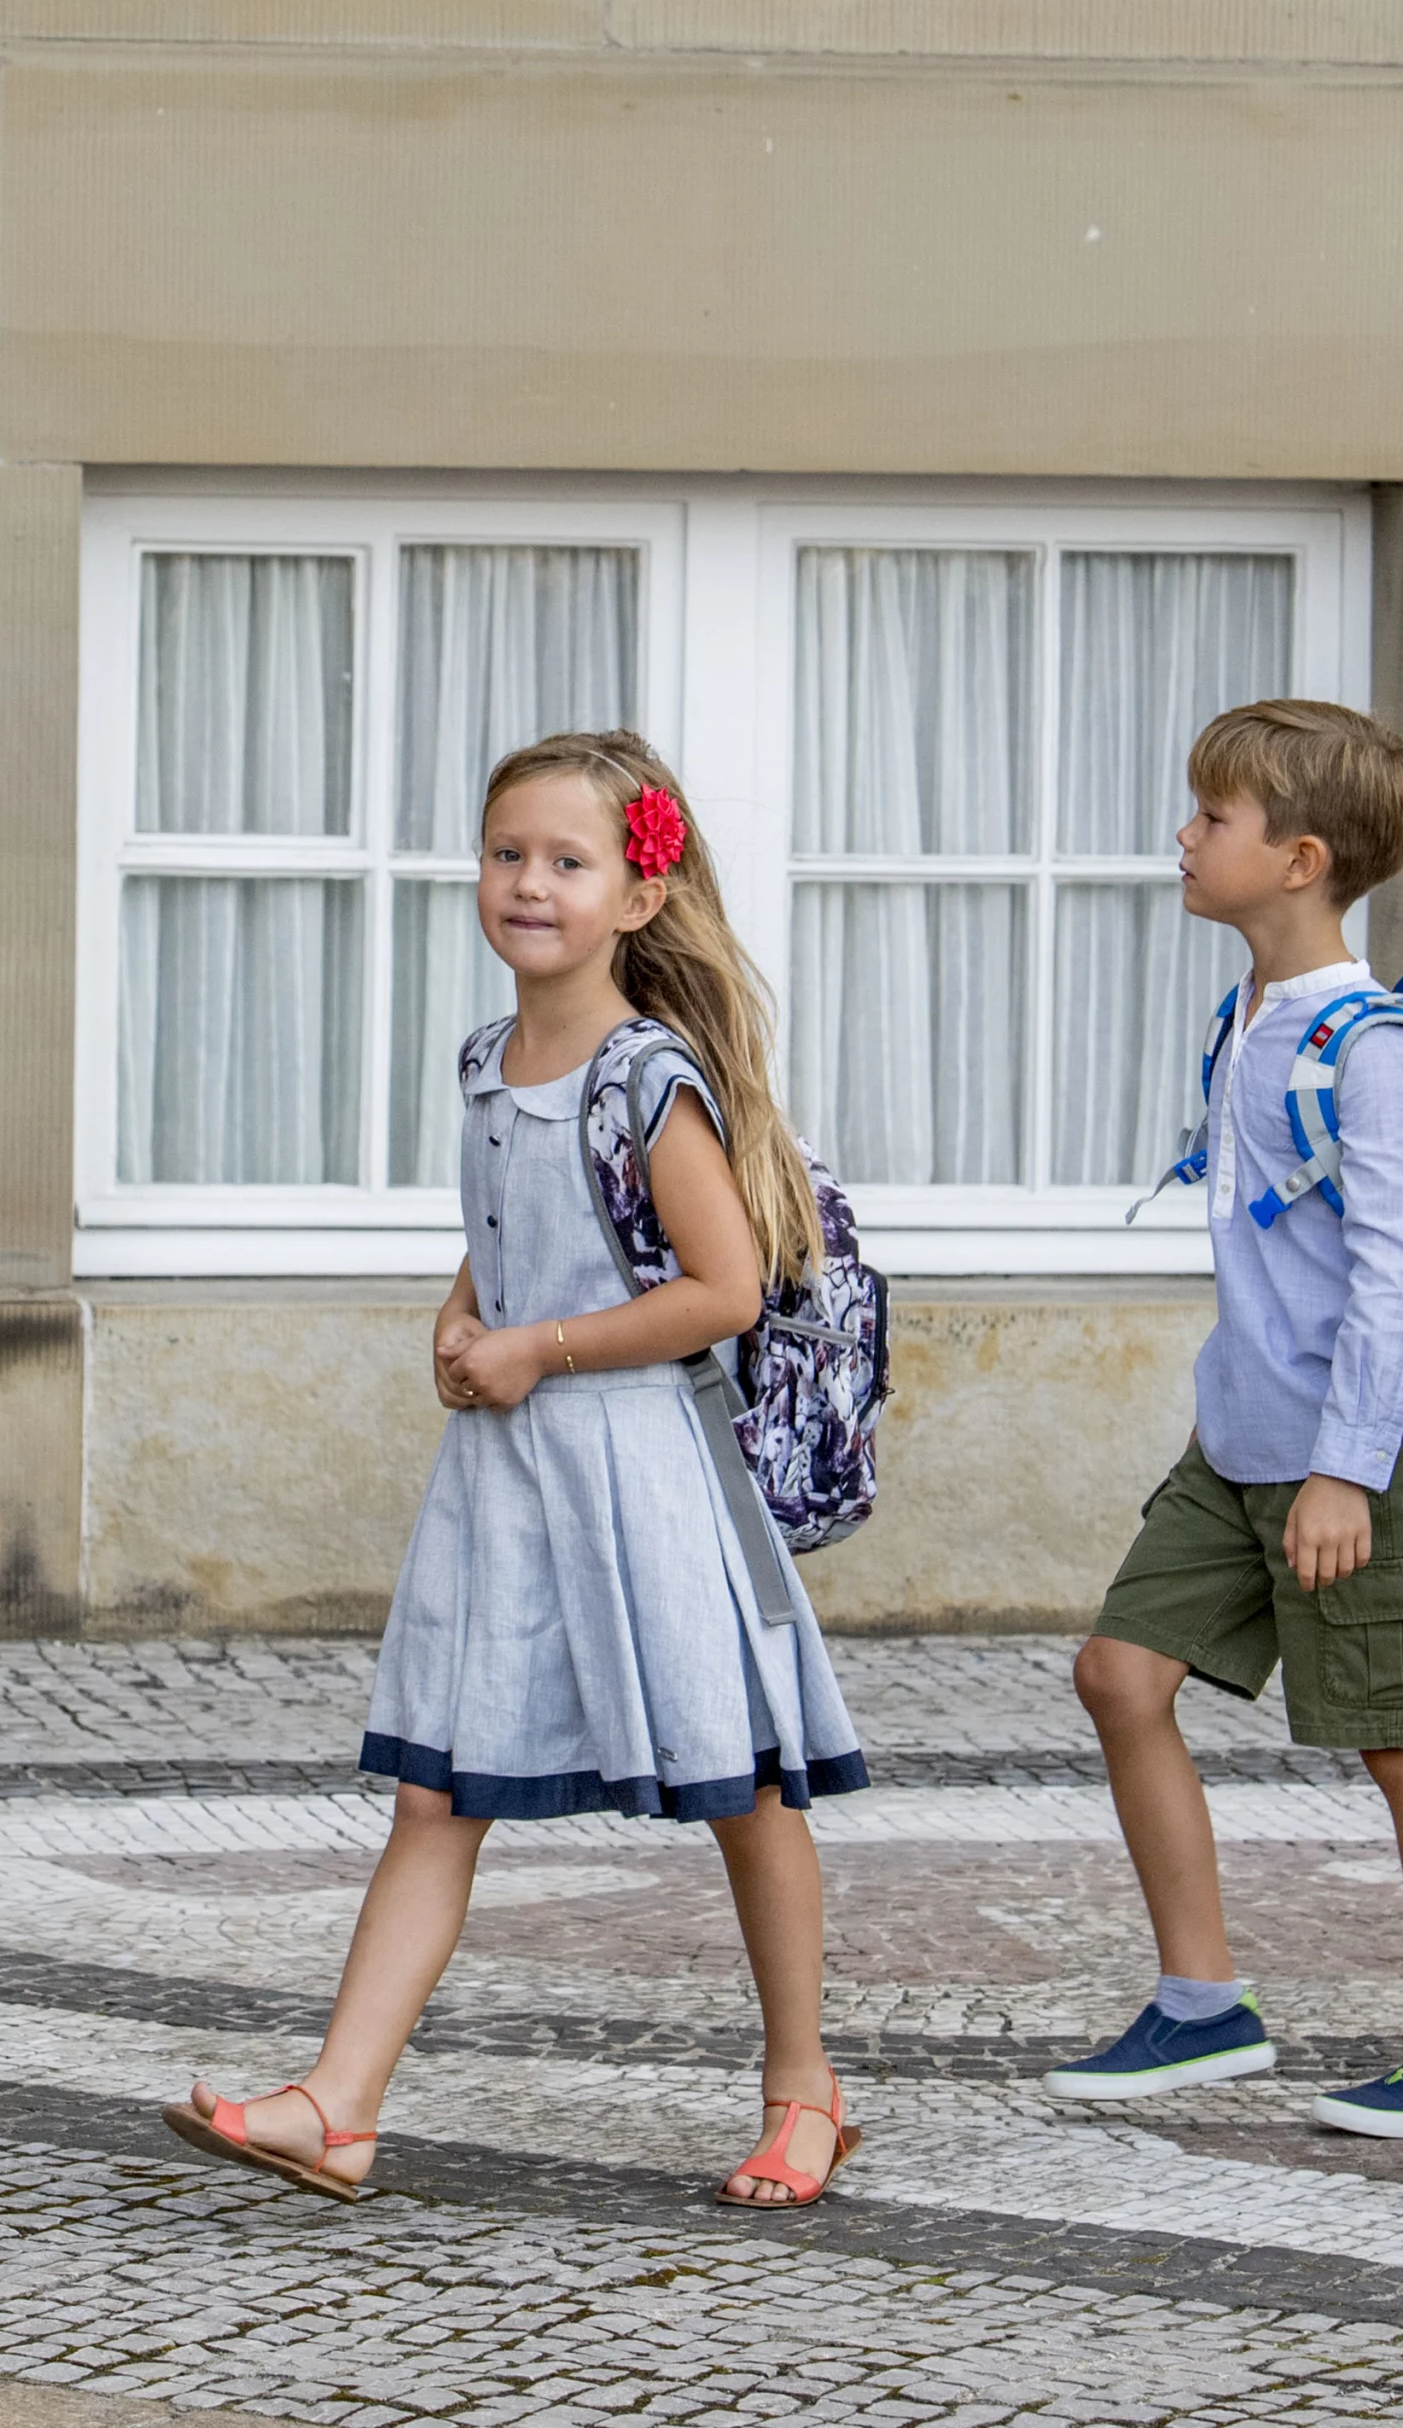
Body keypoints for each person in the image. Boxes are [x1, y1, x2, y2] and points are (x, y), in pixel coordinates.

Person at [166, 732, 870, 2209]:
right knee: (436, 1795)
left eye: (567, 861)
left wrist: (535, 1343)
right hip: (506, 1478)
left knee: (746, 1791)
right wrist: (462, 1303)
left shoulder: (647, 1078)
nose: (528, 884)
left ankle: (806, 2089)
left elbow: (723, 1291)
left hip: (646, 1475)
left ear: (639, 895)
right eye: (506, 855)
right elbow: (521, 1221)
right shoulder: (489, 1056)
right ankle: (337, 2105)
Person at [1058, 700, 1403, 2140]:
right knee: (1119, 1676)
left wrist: (1348, 1471)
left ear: (1301, 858)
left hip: (1355, 1457)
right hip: (1238, 1439)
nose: (1186, 837)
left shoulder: (1368, 1047)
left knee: (1400, 1743)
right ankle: (1203, 2008)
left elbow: (1400, 1271)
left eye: (1214, 818)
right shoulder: (1249, 1017)